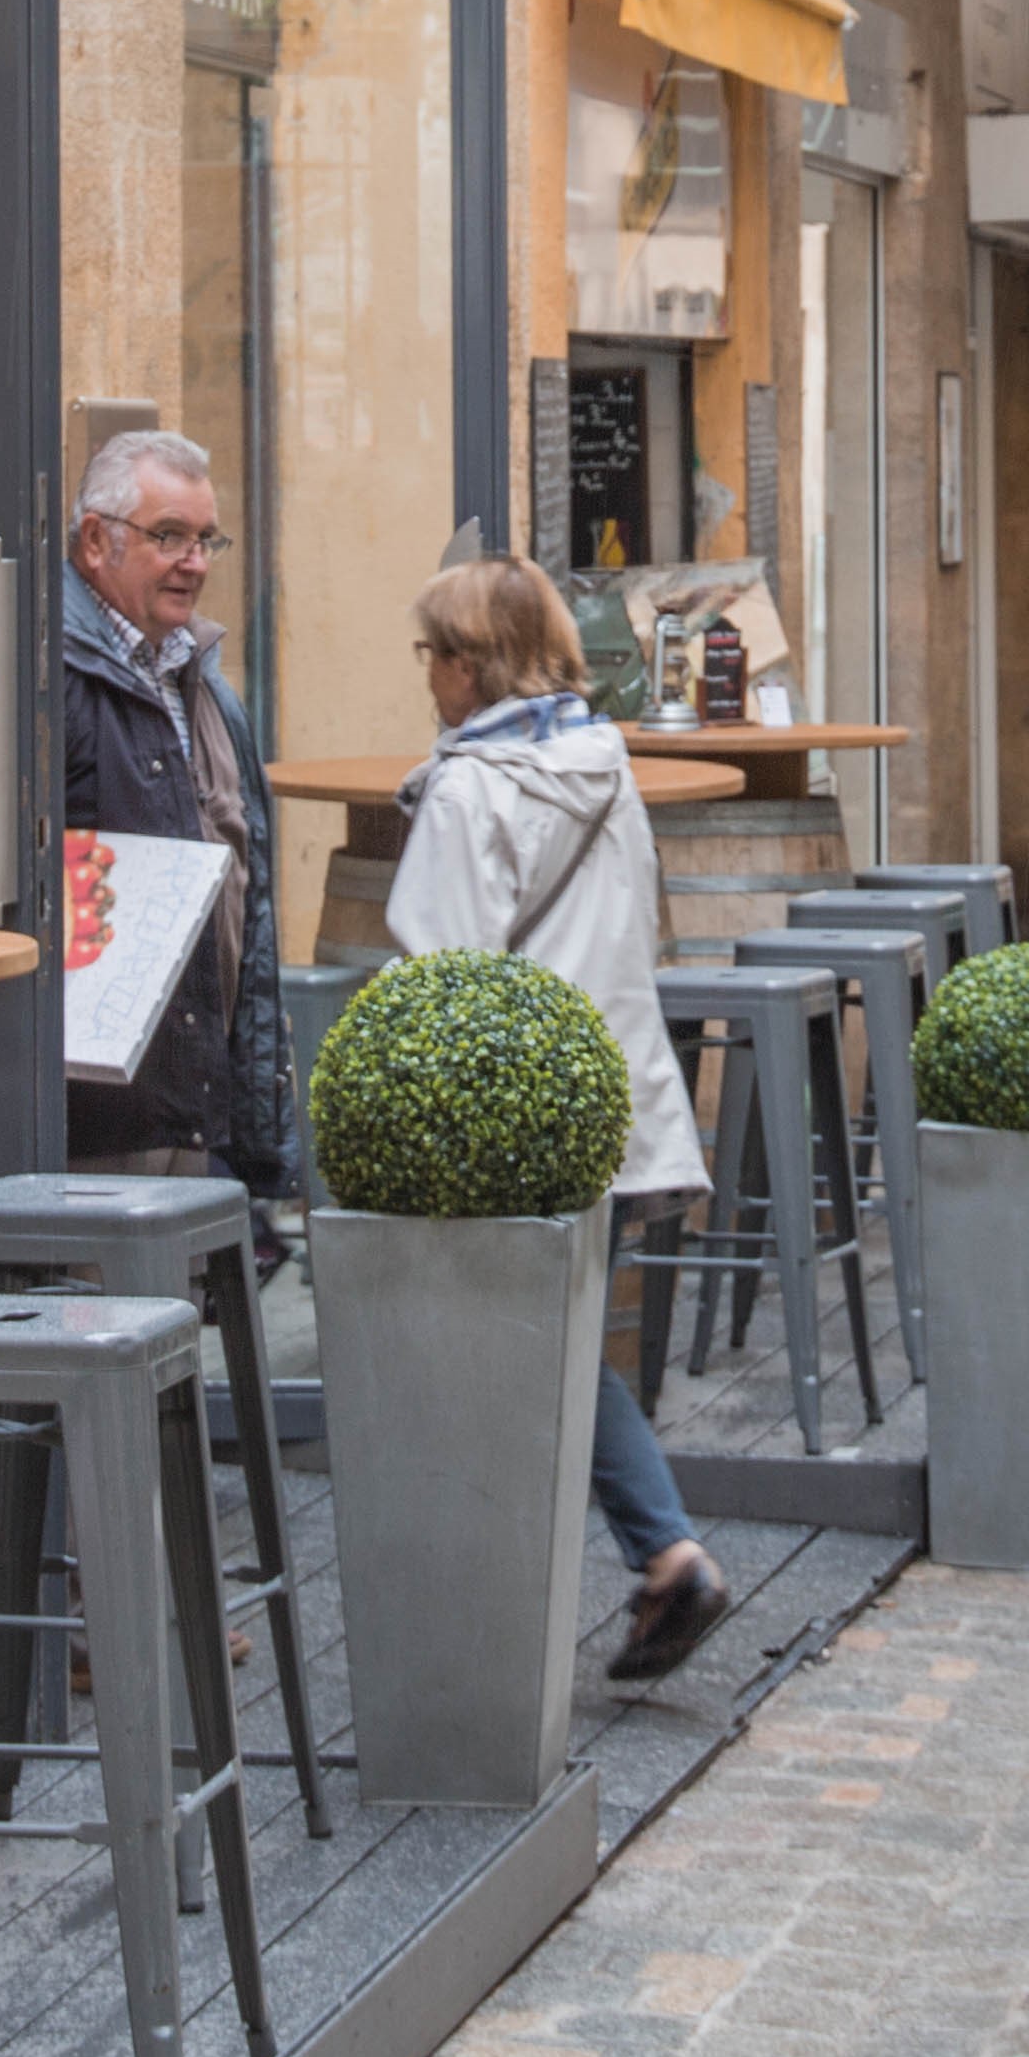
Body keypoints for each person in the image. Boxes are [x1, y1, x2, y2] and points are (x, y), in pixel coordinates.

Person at [379, 555, 736, 1682]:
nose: (426, 674)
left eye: (434, 653)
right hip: (611, 1097)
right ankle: (660, 1555)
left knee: (531, 1352)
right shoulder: (601, 764)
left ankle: (503, 1611)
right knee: (563, 1345)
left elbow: (440, 980)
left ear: (472, 667)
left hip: (509, 1117)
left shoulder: (470, 791)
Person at [51, 428, 287, 1185]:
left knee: (180, 1303)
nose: (194, 562)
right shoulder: (43, 673)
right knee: (114, 1304)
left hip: (189, 1092)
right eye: (169, 537)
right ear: (97, 541)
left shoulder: (200, 678)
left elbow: (247, 895)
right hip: (93, 1109)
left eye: (205, 540)